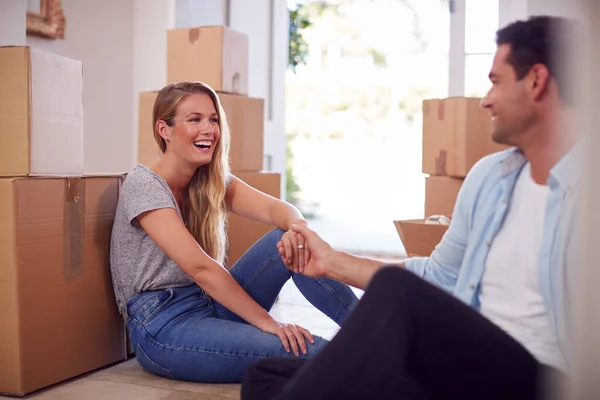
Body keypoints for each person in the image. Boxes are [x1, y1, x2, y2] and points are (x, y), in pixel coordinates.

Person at [241, 15, 582, 399]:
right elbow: (437, 275)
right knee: (267, 378)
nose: (486, 100)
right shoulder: (492, 177)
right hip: (460, 363)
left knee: (390, 298)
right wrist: (331, 262)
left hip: (539, 380)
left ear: (536, 81)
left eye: (496, 82)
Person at [109, 81, 359, 383]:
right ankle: (385, 365)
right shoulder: (144, 185)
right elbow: (200, 268)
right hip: (162, 326)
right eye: (194, 119)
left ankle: (371, 331)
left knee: (287, 237)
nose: (209, 129)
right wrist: (269, 324)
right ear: (164, 129)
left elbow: (277, 209)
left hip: (207, 304)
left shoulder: (208, 180)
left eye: (213, 119)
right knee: (312, 351)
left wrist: (299, 229)